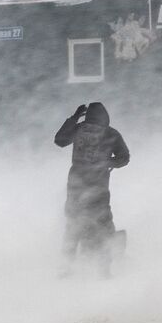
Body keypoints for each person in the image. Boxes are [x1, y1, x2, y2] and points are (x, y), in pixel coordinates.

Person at [54, 102, 130, 273]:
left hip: (75, 188)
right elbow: (124, 158)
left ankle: (66, 269)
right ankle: (104, 269)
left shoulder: (79, 129)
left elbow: (59, 141)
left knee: (73, 226)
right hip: (99, 188)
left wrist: (74, 118)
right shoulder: (111, 133)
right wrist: (106, 163)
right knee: (103, 226)